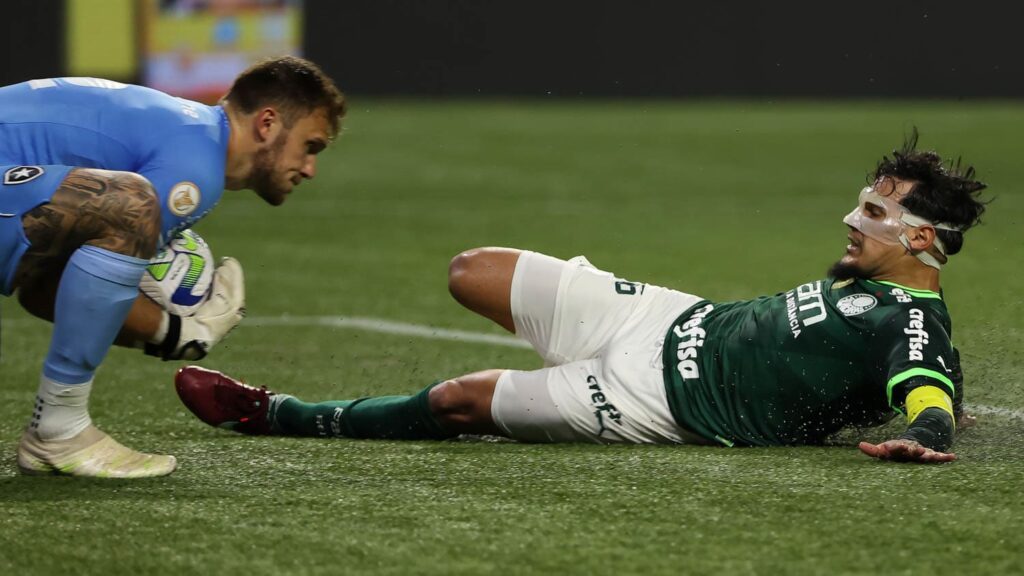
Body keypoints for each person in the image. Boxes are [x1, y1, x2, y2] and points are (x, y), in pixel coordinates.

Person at [177, 133, 986, 464]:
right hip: (668, 316)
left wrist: (925, 431)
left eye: (874, 215)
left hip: (659, 401)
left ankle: (276, 413)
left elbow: (926, 389)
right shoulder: (877, 287)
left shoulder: (913, 320)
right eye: (860, 202)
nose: (852, 221)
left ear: (921, 240)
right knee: (471, 271)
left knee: (460, 402)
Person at [1, 56, 346, 477]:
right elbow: (74, 280)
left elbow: (41, 289)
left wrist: (167, 334)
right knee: (132, 205)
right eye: (310, 146)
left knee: (127, 211)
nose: (310, 169)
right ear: (268, 123)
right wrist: (180, 333)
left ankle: (58, 429)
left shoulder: (189, 135)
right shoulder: (196, 166)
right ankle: (59, 431)